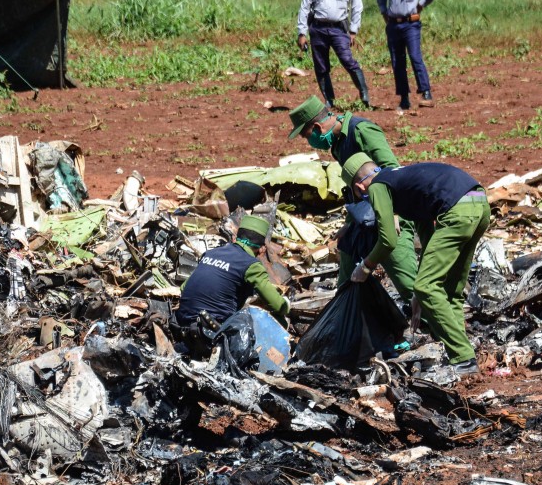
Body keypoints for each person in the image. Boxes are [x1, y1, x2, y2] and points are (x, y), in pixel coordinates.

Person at [341, 152, 490, 375]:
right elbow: (428, 236)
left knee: (426, 287)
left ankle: (464, 358)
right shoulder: (403, 182)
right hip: (479, 204)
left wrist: (365, 267)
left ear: (359, 188)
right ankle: (460, 352)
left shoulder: (377, 187)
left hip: (457, 212)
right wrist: (419, 290)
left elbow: (388, 240)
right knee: (450, 289)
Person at [288, 94, 416, 305]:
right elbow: (357, 188)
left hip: (390, 213)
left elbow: (393, 171)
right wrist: (348, 223)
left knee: (408, 284)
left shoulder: (361, 131)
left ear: (318, 127)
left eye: (306, 135)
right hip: (366, 214)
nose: (308, 141)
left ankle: (440, 328)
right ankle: (346, 321)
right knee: (347, 271)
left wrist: (393, 212)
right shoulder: (338, 144)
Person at [175, 214, 290, 352]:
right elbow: (278, 305)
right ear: (262, 249)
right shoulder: (251, 265)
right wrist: (287, 305)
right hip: (210, 333)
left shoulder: (211, 253)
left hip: (181, 324)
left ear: (236, 237)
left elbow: (184, 287)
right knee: (279, 320)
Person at [296, 0, 370, 108]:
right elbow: (304, 8)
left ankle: (363, 91)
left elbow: (357, 5)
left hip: (339, 29)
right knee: (321, 66)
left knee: (348, 60)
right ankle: (329, 100)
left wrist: (353, 30)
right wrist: (301, 33)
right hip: (318, 29)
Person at [377, 0, 441, 111]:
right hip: (393, 25)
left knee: (415, 56)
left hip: (410, 24)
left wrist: (422, 3)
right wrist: (383, 11)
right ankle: (404, 98)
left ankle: (426, 93)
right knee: (397, 61)